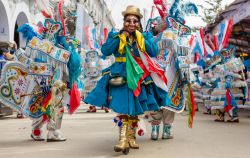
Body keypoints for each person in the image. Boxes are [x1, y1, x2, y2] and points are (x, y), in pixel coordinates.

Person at [84, 5, 169, 154]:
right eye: (128, 20)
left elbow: (154, 51)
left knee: (134, 106)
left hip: (139, 75)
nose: (131, 23)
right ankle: (123, 139)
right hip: (120, 73)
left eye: (135, 21)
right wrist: (119, 37)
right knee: (124, 105)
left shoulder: (144, 36)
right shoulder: (116, 35)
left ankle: (131, 136)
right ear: (123, 22)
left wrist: (140, 37)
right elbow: (105, 51)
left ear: (139, 23)